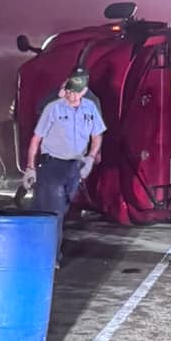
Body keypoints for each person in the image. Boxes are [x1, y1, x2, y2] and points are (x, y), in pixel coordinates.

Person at [25, 74, 105, 260]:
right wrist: (30, 167)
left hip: (74, 167)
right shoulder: (53, 107)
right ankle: (48, 258)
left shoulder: (90, 107)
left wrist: (91, 158)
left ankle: (36, 250)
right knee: (54, 211)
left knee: (60, 208)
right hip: (52, 164)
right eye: (69, 92)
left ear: (84, 91)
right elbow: (36, 139)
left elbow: (97, 135)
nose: (72, 97)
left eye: (76, 93)